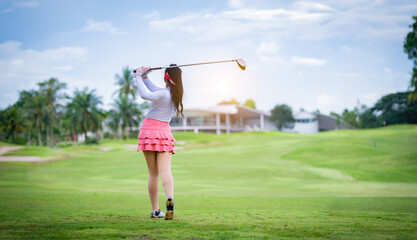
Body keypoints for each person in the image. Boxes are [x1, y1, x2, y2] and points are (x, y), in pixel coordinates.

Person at [134, 64, 184, 220]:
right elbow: (153, 88)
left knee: (153, 174)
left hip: (149, 132)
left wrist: (137, 76)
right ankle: (169, 197)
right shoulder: (174, 95)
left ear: (166, 78)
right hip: (164, 133)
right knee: (165, 170)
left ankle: (155, 210)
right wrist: (144, 76)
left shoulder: (163, 94)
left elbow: (145, 94)